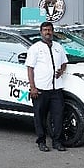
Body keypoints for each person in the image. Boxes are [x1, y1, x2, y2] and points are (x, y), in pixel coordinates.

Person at [26, 21, 68, 152]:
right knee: (40, 117)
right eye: (45, 30)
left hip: (56, 89)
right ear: (41, 32)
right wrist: (32, 87)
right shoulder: (35, 48)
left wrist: (61, 70)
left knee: (58, 116)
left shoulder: (58, 47)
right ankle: (41, 141)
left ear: (53, 31)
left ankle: (57, 141)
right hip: (41, 89)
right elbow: (30, 68)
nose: (47, 32)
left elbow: (64, 62)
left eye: (49, 30)